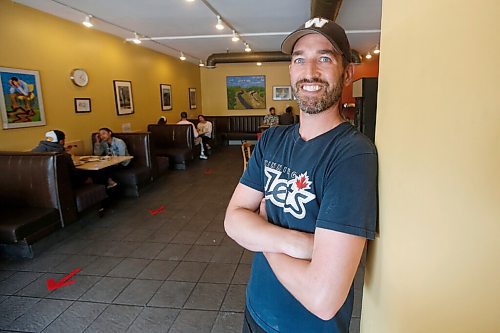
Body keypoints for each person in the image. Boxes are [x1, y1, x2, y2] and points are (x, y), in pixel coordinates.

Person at [224, 17, 378, 333]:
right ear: (291, 70)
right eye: (299, 59)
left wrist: (265, 237)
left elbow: (323, 299)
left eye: (324, 57)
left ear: (347, 72)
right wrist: (301, 244)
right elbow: (233, 220)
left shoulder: (352, 155)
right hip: (255, 311)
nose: (310, 71)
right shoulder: (271, 139)